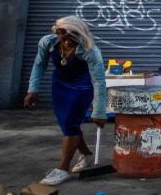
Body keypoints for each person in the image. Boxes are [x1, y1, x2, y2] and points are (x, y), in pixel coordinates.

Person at [24, 15, 107, 185]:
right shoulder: (48, 42)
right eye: (63, 36)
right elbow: (39, 64)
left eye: (71, 37)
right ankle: (87, 155)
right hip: (59, 85)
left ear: (79, 35)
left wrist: (99, 111)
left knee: (70, 122)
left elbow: (99, 81)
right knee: (67, 124)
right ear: (57, 33)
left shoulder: (90, 51)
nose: (67, 41)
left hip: (82, 87)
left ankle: (63, 169)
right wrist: (33, 89)